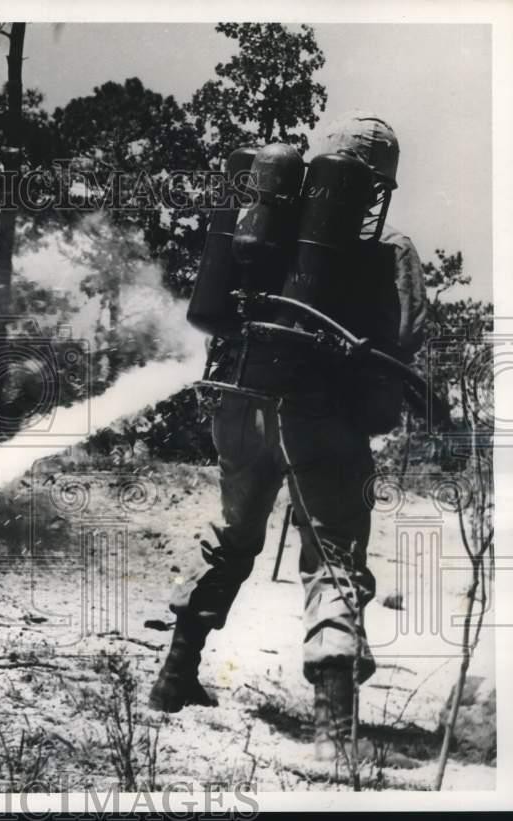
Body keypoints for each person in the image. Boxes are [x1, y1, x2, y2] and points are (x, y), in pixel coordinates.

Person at [149, 112, 428, 762]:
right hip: (320, 415)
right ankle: (333, 734)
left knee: (231, 539)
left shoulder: (264, 230)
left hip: (239, 403)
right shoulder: (387, 249)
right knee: (333, 556)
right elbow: (408, 333)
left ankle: (172, 679)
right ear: (377, 186)